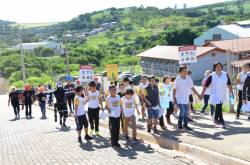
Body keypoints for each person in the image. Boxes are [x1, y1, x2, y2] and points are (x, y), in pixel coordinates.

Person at [201, 62, 233, 128]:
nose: (219, 68)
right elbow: (206, 85)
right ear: (214, 68)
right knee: (219, 106)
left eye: (220, 66)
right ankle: (221, 120)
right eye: (217, 67)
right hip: (215, 94)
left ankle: (216, 119)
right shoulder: (212, 75)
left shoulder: (225, 74)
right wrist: (202, 94)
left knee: (219, 106)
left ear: (222, 67)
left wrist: (231, 92)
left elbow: (229, 83)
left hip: (222, 94)